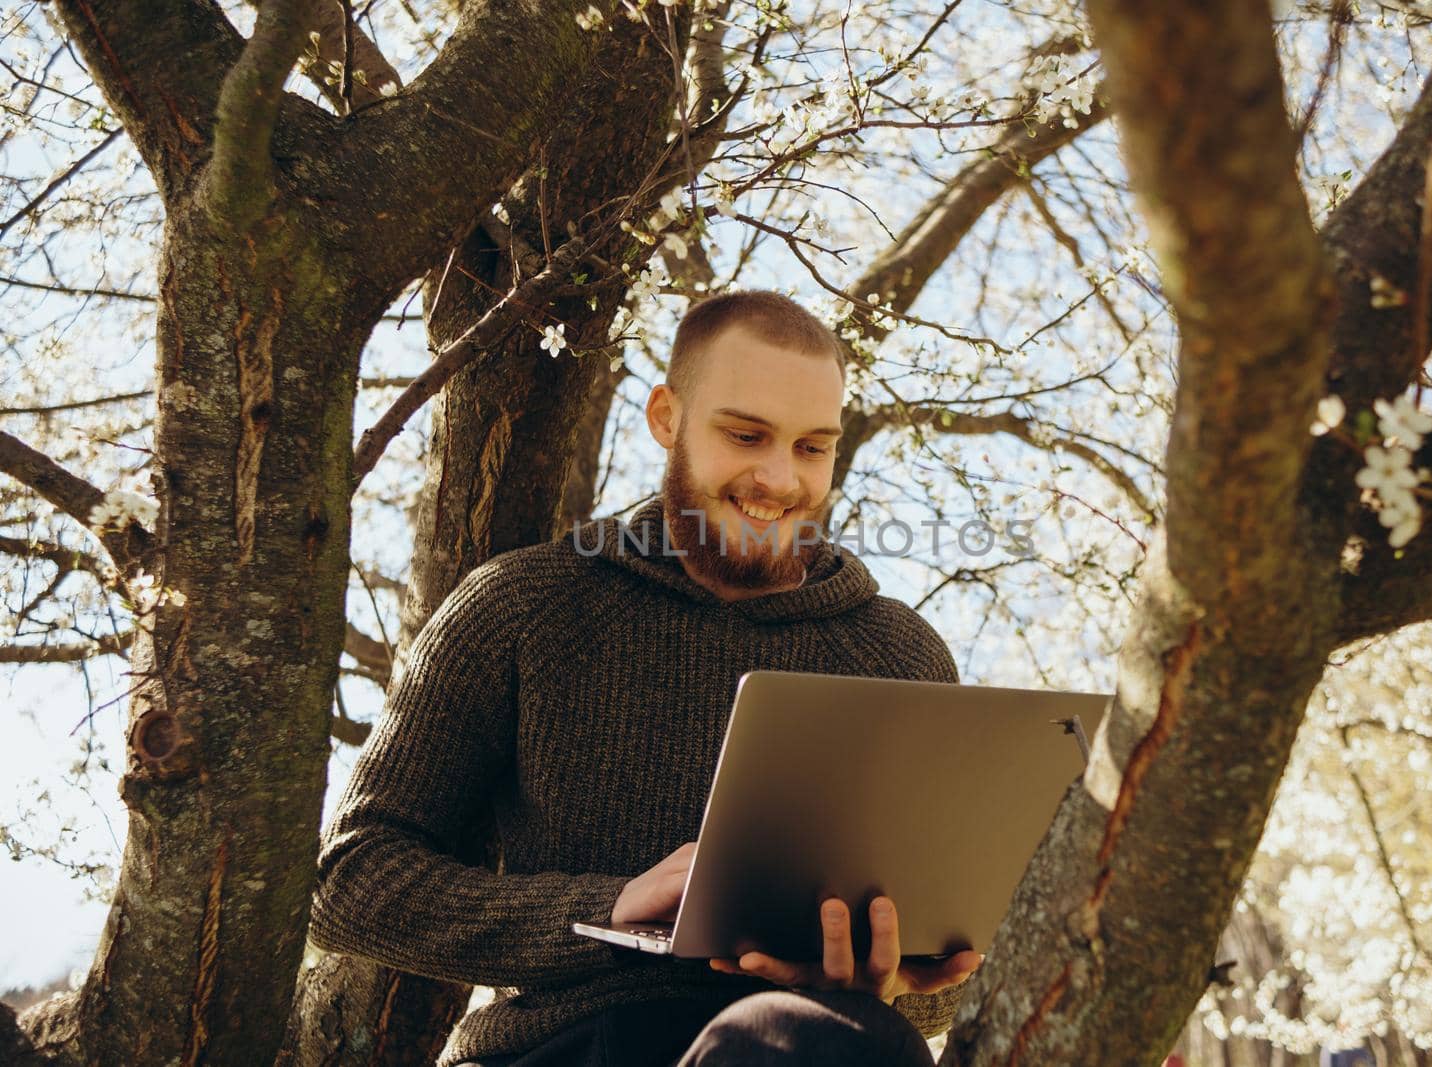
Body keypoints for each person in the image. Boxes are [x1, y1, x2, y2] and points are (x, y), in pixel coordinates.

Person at [308, 290, 983, 1066]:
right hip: (566, 1045)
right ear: (667, 417)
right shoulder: (526, 605)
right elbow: (349, 878)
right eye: (746, 433)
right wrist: (609, 910)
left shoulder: (902, 655)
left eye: (811, 447)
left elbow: (949, 983)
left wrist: (888, 976)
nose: (779, 478)